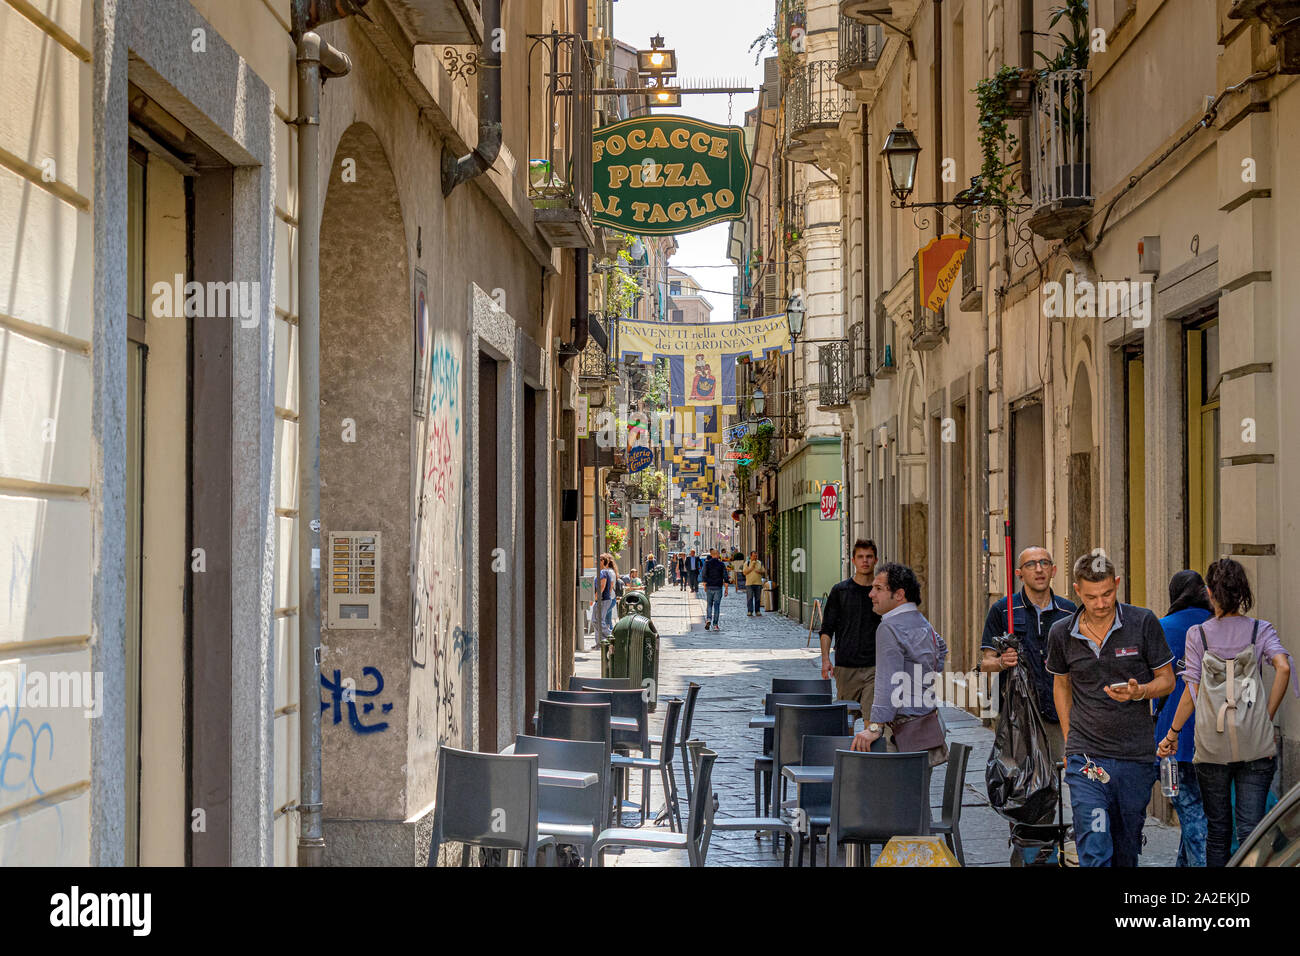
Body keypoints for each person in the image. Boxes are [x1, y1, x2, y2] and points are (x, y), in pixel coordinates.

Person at [1156, 558, 1297, 867]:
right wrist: (1265, 717)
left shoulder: (1199, 634)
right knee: (1251, 828)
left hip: (1212, 747)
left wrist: (1172, 734)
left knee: (1217, 830)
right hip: (1254, 744)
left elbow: (1191, 693)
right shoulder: (1260, 629)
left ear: (1210, 592)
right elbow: (1284, 667)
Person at [1045, 550, 1175, 867]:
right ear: (1077, 591)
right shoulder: (1061, 633)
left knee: (1125, 848)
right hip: (1086, 756)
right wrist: (1069, 738)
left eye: (1107, 593)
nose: (1101, 603)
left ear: (1116, 584)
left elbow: (1167, 680)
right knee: (1094, 846)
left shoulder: (1143, 622)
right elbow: (1060, 684)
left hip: (1134, 758)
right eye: (1092, 597)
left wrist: (1140, 691)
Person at [979, 546, 1076, 764]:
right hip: (1017, 713)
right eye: (1031, 565)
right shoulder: (1003, 610)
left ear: (1054, 570)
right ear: (1019, 574)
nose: (1039, 569)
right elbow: (986, 663)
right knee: (1021, 780)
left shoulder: (1069, 611)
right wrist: (1002, 662)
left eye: (1045, 563)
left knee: (1058, 776)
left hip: (1058, 712)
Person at [1149, 569, 1213, 867]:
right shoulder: (1218, 625)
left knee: (1192, 816)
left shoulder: (1161, 627)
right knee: (1202, 816)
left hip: (1173, 739)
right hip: (1217, 736)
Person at [852, 563, 947, 756]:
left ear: (899, 594)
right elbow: (941, 652)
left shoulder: (889, 628)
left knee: (893, 786)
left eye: (878, 589)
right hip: (926, 725)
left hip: (901, 733)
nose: (871, 594)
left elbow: (887, 682)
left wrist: (874, 727)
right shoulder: (922, 622)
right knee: (919, 786)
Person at [819, 540, 882, 716]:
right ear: (853, 560)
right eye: (860, 557)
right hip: (846, 666)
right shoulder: (840, 591)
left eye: (869, 556)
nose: (865, 561)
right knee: (846, 721)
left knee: (874, 722)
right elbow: (826, 629)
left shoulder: (883, 592)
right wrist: (825, 660)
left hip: (875, 666)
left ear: (876, 560)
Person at [702, 547, 728, 630]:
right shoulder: (721, 564)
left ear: (711, 555)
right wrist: (726, 588)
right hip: (718, 587)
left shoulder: (707, 563)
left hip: (709, 586)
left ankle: (708, 619)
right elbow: (725, 576)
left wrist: (705, 585)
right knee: (717, 606)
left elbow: (704, 574)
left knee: (709, 604)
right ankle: (715, 625)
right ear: (717, 555)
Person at [595, 553, 618, 639]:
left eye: (599, 559)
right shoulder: (607, 571)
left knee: (601, 620)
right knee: (607, 621)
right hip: (609, 598)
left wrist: (604, 596)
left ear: (604, 561)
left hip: (608, 598)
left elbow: (609, 585)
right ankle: (607, 639)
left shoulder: (608, 572)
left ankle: (610, 637)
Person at [742, 550, 766, 617]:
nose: (755, 557)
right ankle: (750, 611)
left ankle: (757, 611)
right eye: (754, 556)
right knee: (750, 598)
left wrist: (759, 571)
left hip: (758, 583)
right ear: (751, 556)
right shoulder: (747, 563)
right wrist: (751, 568)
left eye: (756, 556)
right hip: (749, 583)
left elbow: (763, 571)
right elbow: (744, 573)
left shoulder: (760, 563)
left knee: (758, 598)